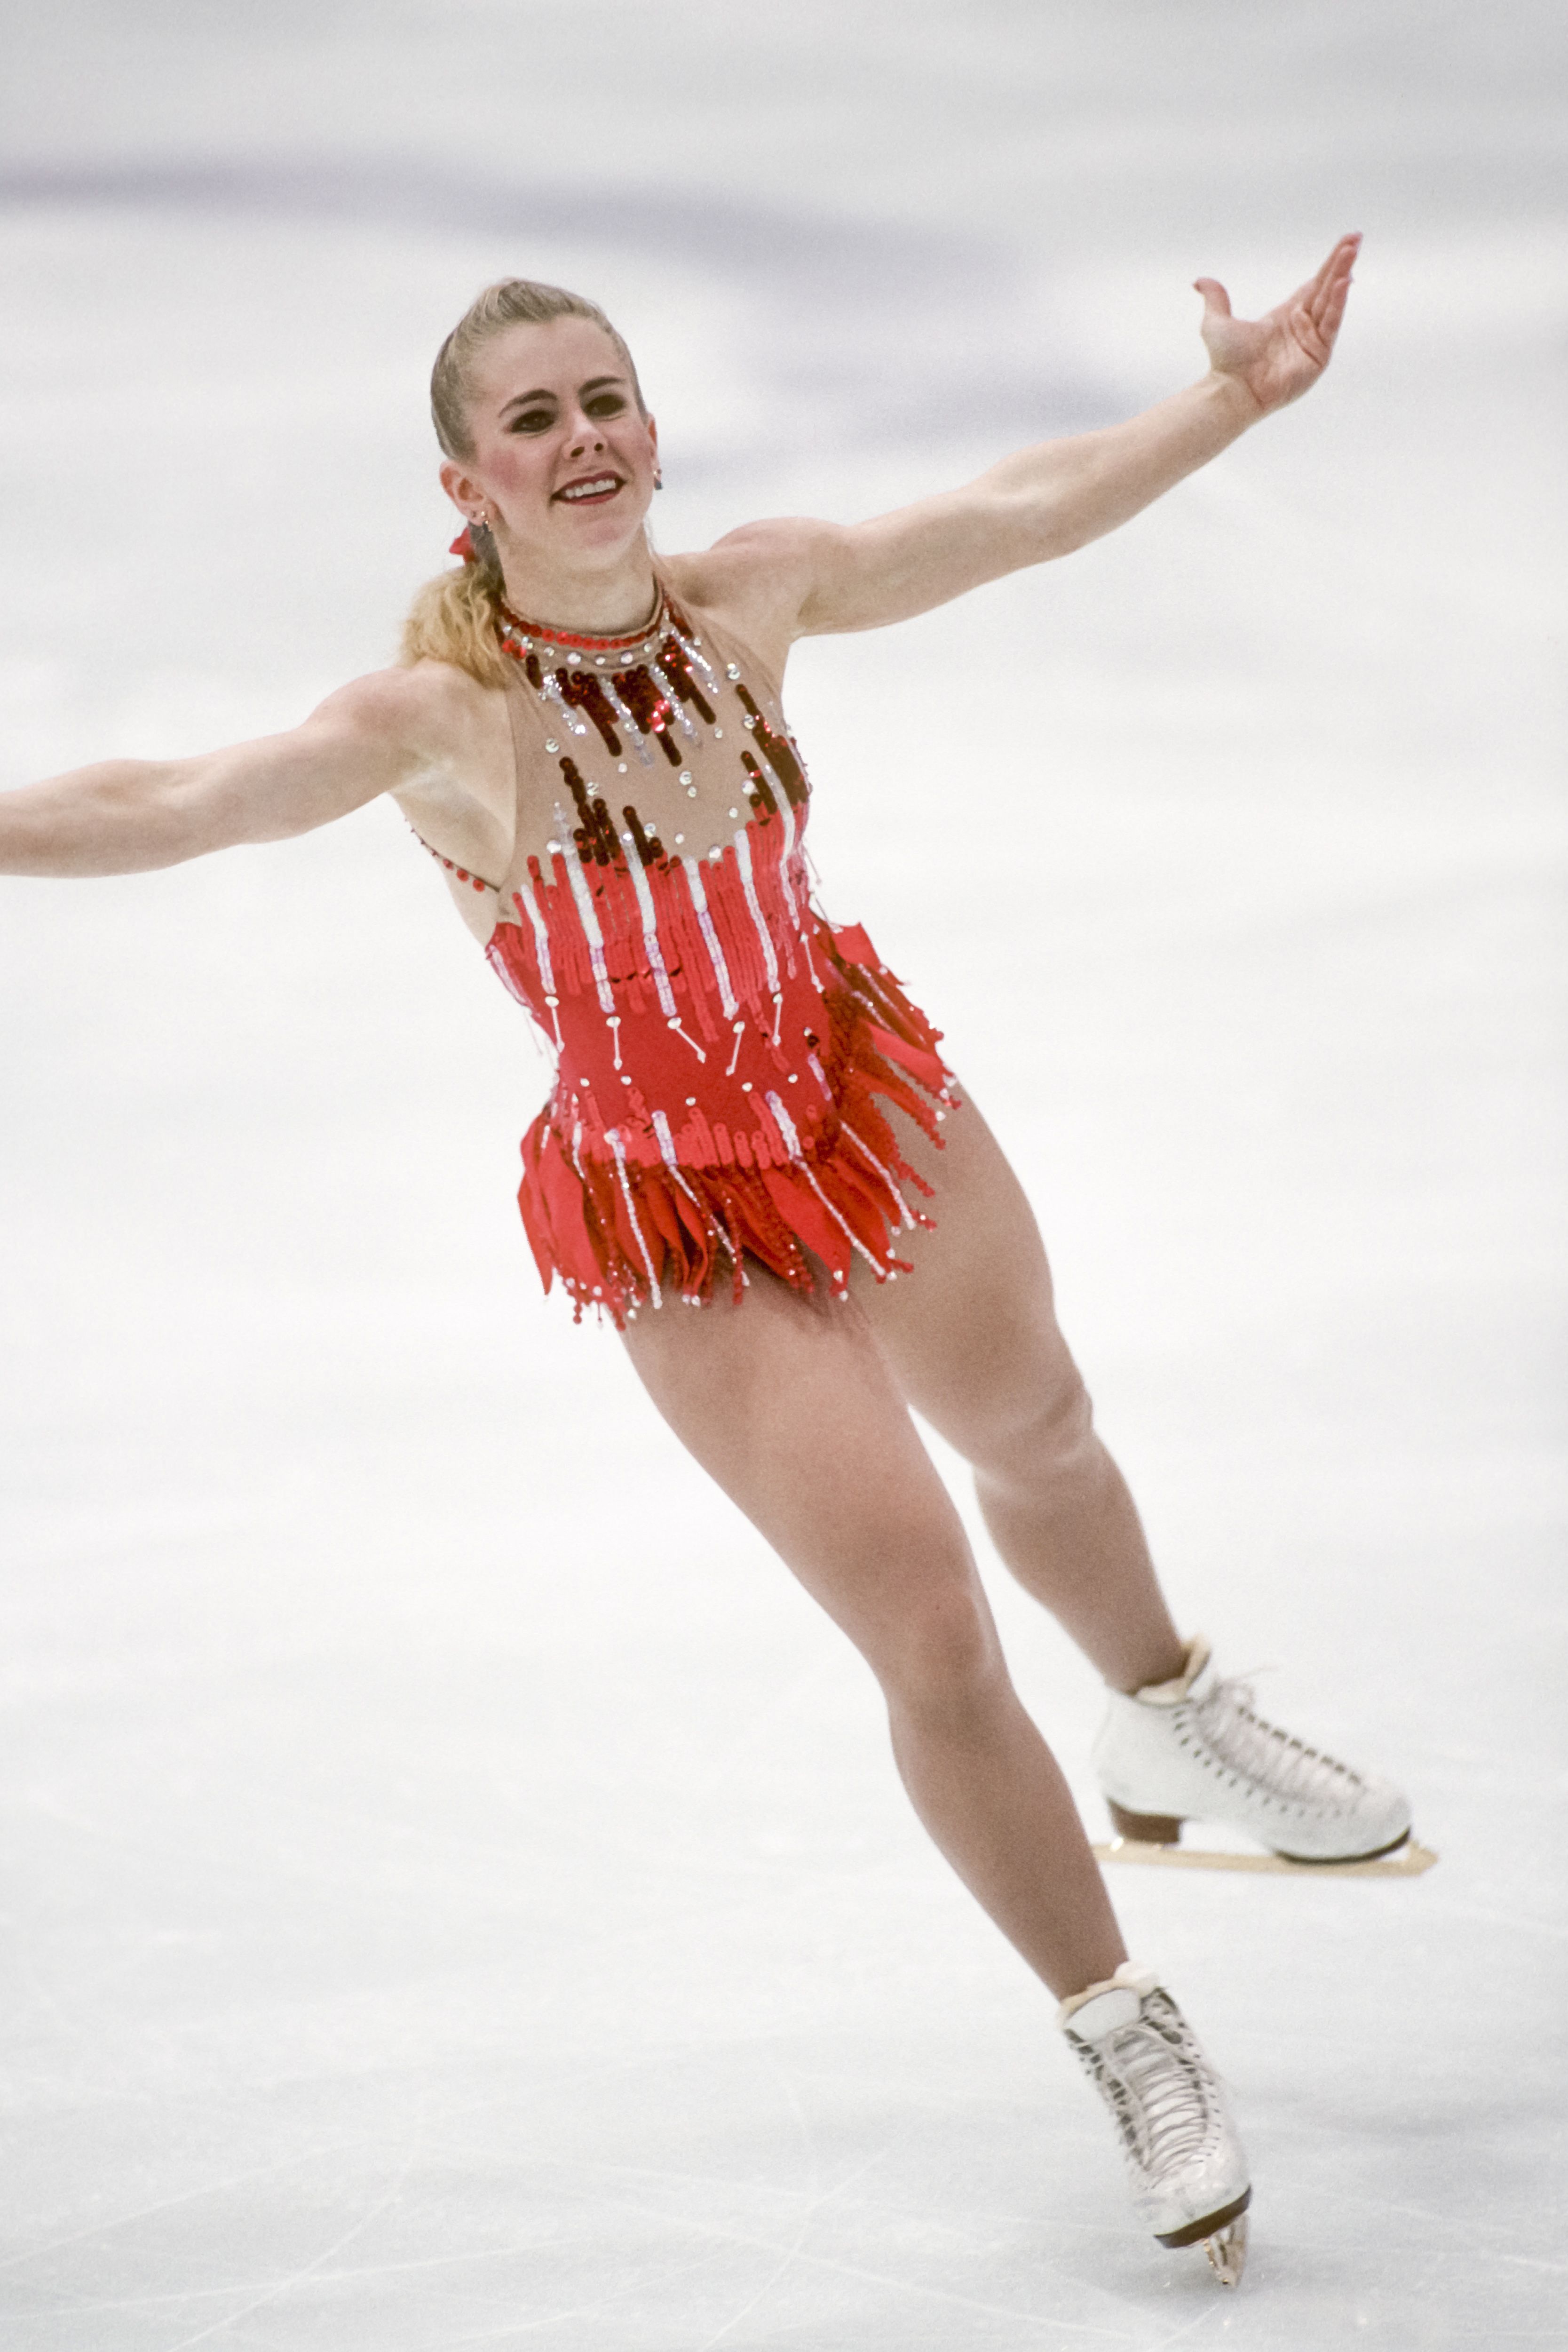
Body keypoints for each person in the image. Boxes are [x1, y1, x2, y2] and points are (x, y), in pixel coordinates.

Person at [0, 232, 1413, 2288]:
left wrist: (1230, 397)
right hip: (676, 1210)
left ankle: (1170, 1706)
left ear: (652, 428)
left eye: (605, 399)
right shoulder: (440, 716)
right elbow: (191, 796)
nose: (583, 439)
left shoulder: (751, 597)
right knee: (930, 1634)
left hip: (851, 1092)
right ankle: (1125, 2019)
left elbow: (1009, 517)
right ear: (465, 488)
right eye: (532, 419)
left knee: (1042, 1426)